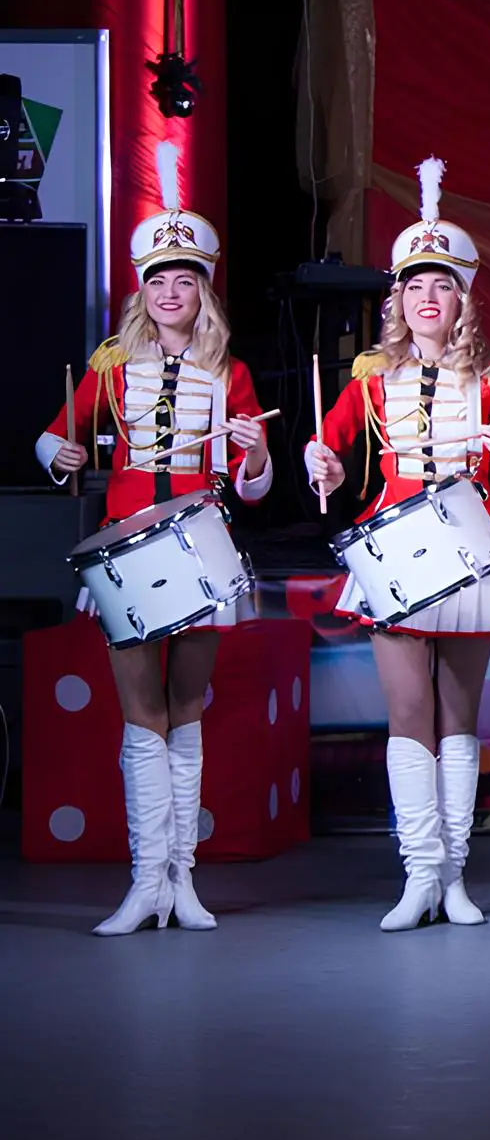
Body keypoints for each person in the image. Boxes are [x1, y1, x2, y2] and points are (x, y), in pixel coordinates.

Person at [40, 140, 273, 935]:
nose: (171, 292)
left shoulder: (229, 371)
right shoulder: (111, 363)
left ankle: (184, 882)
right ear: (143, 292)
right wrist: (63, 452)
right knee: (141, 712)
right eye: (159, 282)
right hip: (125, 546)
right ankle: (146, 883)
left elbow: (254, 486)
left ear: (203, 293)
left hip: (203, 542)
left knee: (187, 705)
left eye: (186, 281)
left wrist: (257, 454)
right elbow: (55, 436)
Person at [307, 158, 490, 931]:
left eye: (441, 286)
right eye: (414, 286)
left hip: (471, 554)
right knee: (409, 713)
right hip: (394, 556)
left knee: (458, 716)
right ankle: (419, 875)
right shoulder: (370, 380)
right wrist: (324, 461)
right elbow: (333, 457)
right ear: (398, 300)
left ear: (461, 301)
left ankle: (455, 877)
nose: (427, 298)